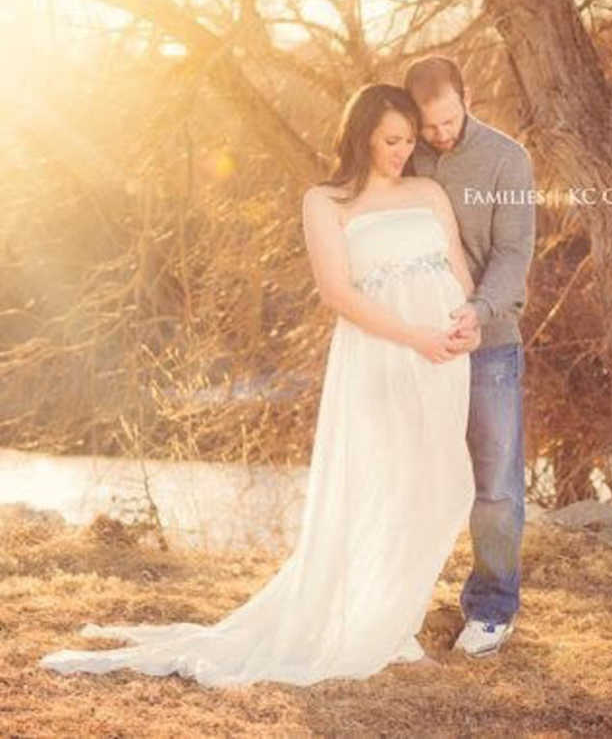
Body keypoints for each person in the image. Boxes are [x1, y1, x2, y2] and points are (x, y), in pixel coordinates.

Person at [38, 83, 481, 687]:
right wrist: (414, 337)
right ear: (361, 139)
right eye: (391, 140)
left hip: (445, 358)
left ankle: (391, 609)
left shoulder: (429, 192)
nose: (404, 150)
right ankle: (374, 624)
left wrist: (469, 323)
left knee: (437, 485)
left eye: (409, 139)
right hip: (381, 354)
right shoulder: (326, 201)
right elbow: (338, 293)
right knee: (382, 480)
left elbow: (457, 267)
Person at [403, 56, 535, 658]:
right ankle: (401, 599)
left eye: (449, 121)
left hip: (490, 346)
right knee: (411, 477)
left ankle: (491, 608)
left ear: (466, 97)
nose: (440, 135)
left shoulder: (507, 159)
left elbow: (513, 254)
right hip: (414, 345)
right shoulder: (406, 152)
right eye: (429, 127)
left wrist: (477, 311)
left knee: (496, 487)